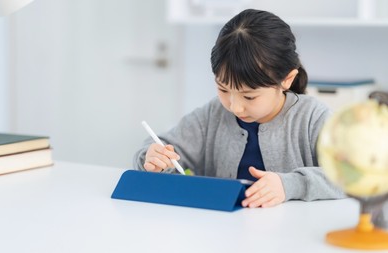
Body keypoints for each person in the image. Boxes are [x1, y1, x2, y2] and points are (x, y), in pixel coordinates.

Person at [133, 9, 345, 208]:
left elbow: (350, 174)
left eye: (249, 96)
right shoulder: (212, 115)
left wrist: (290, 185)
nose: (235, 106)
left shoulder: (312, 117)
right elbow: (160, 146)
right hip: (221, 232)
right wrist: (152, 158)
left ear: (287, 79)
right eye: (223, 89)